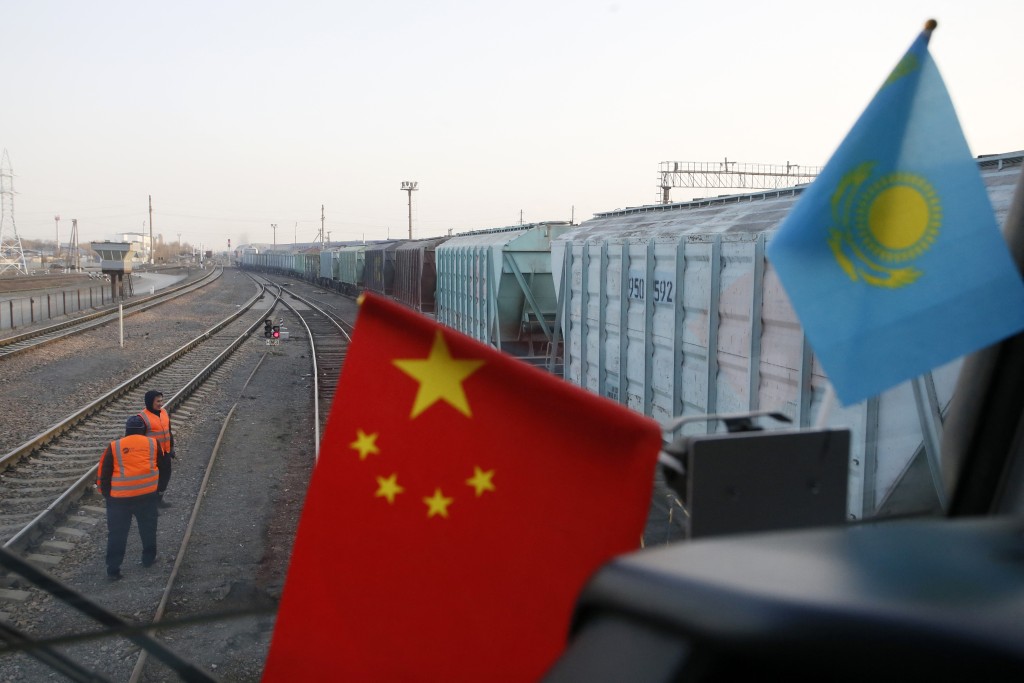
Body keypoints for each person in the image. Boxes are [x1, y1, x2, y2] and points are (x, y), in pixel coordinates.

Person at [96, 415, 162, 581]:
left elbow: (104, 474)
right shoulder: (153, 443)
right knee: (148, 528)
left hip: (119, 500)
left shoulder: (115, 446)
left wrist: (108, 496)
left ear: (127, 430)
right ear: (143, 430)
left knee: (117, 534)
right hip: (147, 496)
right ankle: (148, 559)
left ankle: (113, 570)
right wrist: (157, 491)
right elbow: (163, 466)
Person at [138, 389, 175, 507]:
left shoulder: (164, 412)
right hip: (151, 456)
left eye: (161, 401)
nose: (160, 404)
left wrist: (171, 447)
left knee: (165, 477)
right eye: (158, 401)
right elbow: (138, 440)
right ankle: (150, 503)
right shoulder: (142, 418)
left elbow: (168, 431)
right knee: (151, 480)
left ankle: (159, 500)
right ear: (150, 402)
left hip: (165, 453)